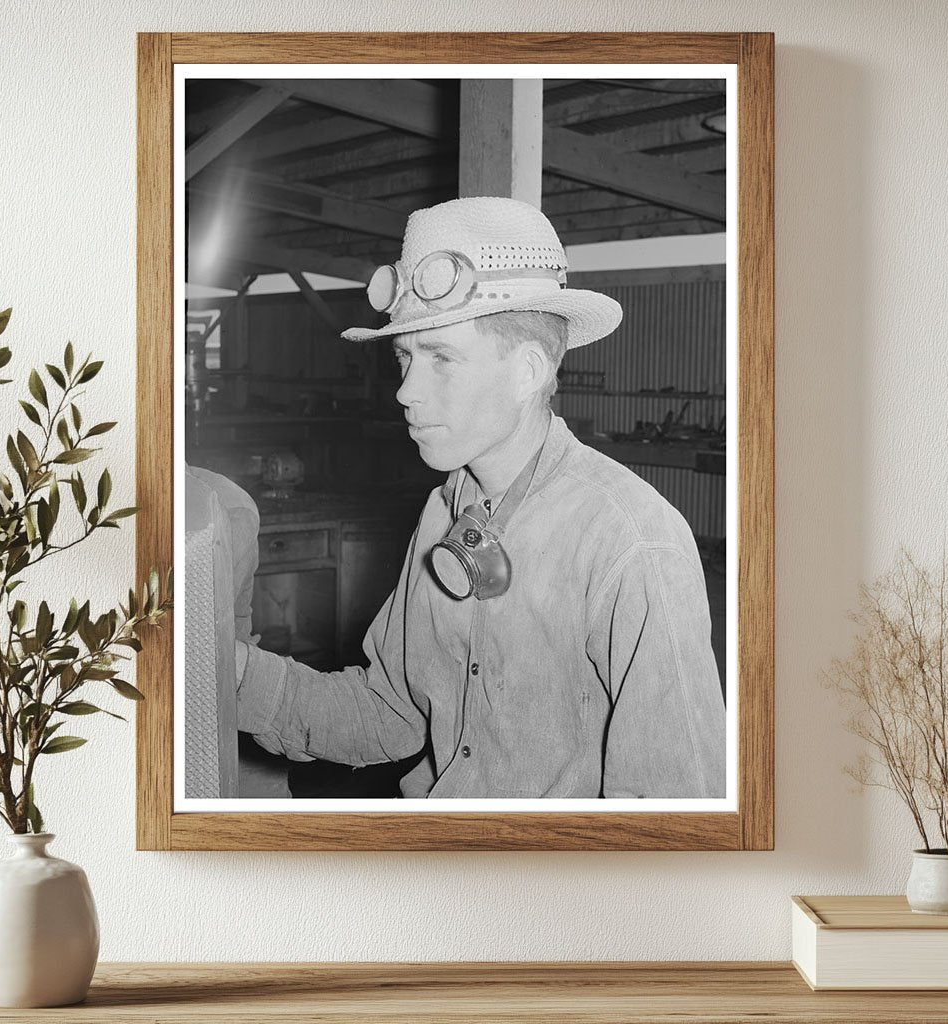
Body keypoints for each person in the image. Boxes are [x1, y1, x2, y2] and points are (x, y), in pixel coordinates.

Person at [235, 196, 726, 799]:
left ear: (528, 371)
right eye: (405, 358)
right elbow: (387, 714)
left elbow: (673, 809)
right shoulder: (445, 511)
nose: (406, 392)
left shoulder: (631, 543)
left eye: (442, 359)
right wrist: (229, 674)